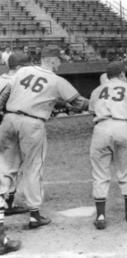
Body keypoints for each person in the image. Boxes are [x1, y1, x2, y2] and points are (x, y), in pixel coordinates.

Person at [0, 45, 89, 251]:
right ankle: (34, 215)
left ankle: (2, 228)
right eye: (59, 60)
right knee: (33, 167)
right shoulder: (57, 80)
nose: (60, 64)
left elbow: (4, 94)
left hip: (9, 120)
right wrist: (100, 102)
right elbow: (78, 103)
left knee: (4, 171)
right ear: (51, 59)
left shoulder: (22, 71)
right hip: (32, 124)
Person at [89, 61, 127, 230]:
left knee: (100, 173)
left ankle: (100, 215)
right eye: (124, 73)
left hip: (101, 128)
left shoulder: (97, 90)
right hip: (123, 126)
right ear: (121, 74)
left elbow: (91, 114)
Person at [0, 54, 30, 217]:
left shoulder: (2, 79)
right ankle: (7, 205)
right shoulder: (13, 82)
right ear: (19, 68)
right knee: (10, 167)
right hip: (6, 128)